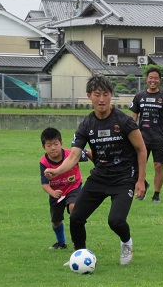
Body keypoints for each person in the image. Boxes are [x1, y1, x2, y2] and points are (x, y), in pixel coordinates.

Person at [44, 75, 147, 266]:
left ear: (111, 96)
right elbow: (74, 156)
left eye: (105, 94)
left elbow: (141, 149)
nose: (101, 99)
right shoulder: (86, 124)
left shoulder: (123, 121)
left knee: (115, 221)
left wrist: (140, 180)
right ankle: (79, 256)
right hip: (100, 177)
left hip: (124, 177)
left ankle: (126, 243)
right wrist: (57, 170)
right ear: (89, 96)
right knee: (76, 217)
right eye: (97, 95)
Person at [130, 67, 163, 203]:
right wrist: (128, 135)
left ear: (159, 80)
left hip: (159, 138)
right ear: (147, 79)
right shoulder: (139, 97)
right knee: (139, 165)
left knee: (158, 166)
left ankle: (156, 195)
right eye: (151, 77)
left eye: (156, 78)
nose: (153, 80)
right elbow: (133, 116)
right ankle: (143, 185)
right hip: (141, 138)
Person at [40, 127, 91, 250]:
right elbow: (44, 184)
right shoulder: (44, 162)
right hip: (56, 193)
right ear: (44, 147)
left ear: (61, 143)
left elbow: (88, 152)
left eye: (56, 144)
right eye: (49, 145)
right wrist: (52, 192)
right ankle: (61, 242)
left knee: (74, 208)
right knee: (56, 221)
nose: (53, 148)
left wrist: (99, 166)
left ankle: (76, 240)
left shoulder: (71, 155)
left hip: (74, 187)